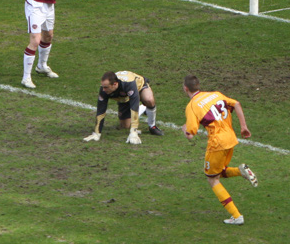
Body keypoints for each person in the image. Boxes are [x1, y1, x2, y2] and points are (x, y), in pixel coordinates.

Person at [181, 74, 256, 225]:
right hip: (231, 139)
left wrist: (184, 129)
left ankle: (236, 216)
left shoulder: (192, 106)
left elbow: (190, 135)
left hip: (217, 144)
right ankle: (240, 171)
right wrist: (243, 127)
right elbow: (237, 104)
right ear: (198, 85)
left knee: (212, 179)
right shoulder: (216, 94)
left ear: (185, 88)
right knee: (219, 171)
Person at [83, 71, 163, 143]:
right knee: (125, 126)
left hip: (139, 87)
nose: (103, 90)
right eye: (103, 87)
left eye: (106, 87)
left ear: (114, 84)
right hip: (123, 97)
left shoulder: (128, 84)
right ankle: (144, 109)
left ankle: (152, 126)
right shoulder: (104, 90)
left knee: (149, 100)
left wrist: (133, 131)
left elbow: (134, 107)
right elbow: (101, 111)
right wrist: (97, 133)